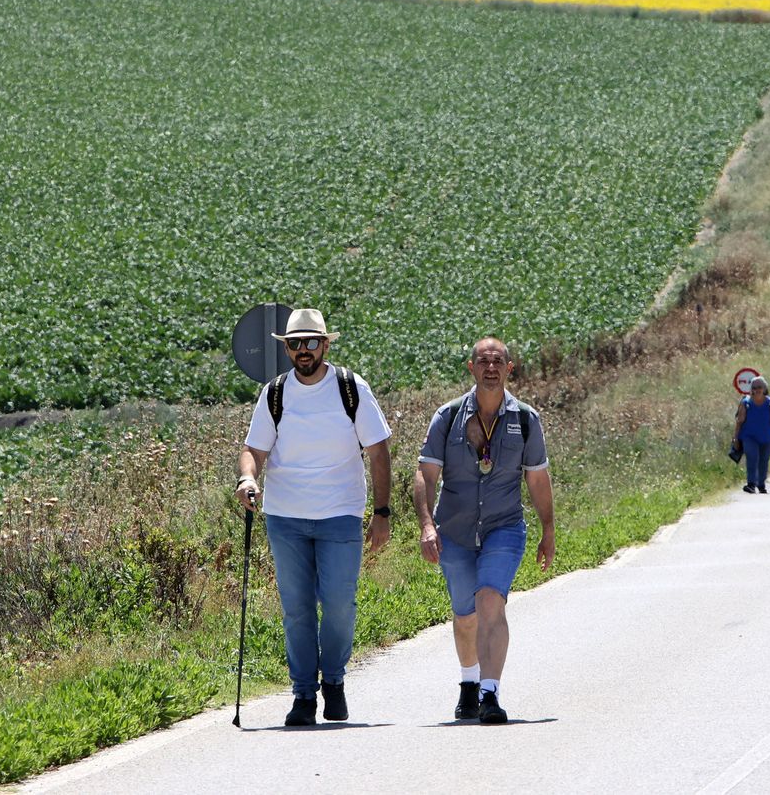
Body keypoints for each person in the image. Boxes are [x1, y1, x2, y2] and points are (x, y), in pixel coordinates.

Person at [235, 308, 393, 727]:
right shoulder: (274, 393)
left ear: (325, 345)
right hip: (285, 516)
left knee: (339, 604)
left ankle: (335, 683)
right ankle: (303, 695)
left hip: (340, 513)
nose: (303, 351)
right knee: (297, 610)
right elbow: (254, 449)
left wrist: (382, 512)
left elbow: (378, 451)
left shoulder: (350, 388)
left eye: (310, 343)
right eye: (294, 344)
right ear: (285, 348)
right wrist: (248, 478)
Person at [413, 338, 556, 725]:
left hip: (503, 528)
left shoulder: (526, 420)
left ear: (510, 369)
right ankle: (469, 682)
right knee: (465, 615)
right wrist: (427, 525)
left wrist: (548, 529)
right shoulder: (447, 416)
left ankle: (490, 693)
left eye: (498, 361)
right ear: (471, 367)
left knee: (491, 600)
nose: (490, 367)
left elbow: (538, 480)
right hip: (455, 531)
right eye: (483, 361)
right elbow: (426, 475)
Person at [732, 377, 770, 494]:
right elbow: (740, 421)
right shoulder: (746, 403)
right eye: (754, 388)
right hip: (749, 436)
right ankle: (751, 483)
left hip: (767, 437)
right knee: (752, 458)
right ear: (751, 389)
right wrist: (736, 438)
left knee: (764, 460)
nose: (757, 390)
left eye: (759, 387)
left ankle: (761, 484)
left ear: (764, 388)